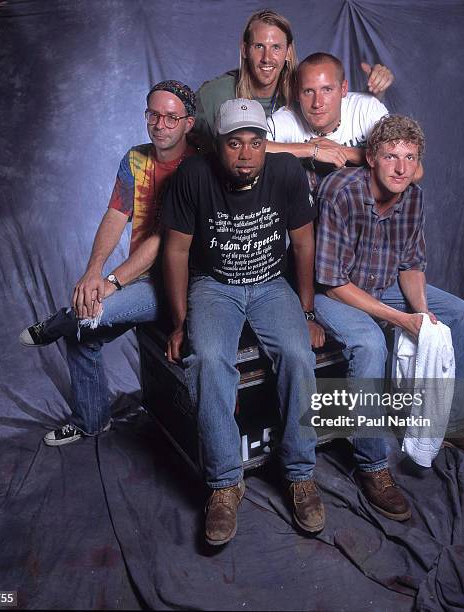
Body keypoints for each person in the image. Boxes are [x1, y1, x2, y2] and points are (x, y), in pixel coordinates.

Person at [314, 114, 464, 520]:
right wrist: (400, 322)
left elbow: (411, 266)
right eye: (390, 156)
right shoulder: (339, 192)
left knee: (457, 314)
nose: (400, 167)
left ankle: (451, 420)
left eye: (409, 157)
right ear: (370, 158)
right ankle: (373, 464)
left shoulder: (413, 196)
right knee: (368, 345)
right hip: (336, 291)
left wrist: (423, 314)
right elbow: (330, 282)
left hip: (383, 284)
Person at [162, 98, 326, 545]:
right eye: (235, 144)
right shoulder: (193, 176)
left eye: (255, 143)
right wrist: (180, 323)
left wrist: (307, 310)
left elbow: (303, 244)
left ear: (265, 144)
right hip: (215, 285)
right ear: (218, 146)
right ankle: (224, 482)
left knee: (297, 355)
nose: (246, 153)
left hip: (272, 284)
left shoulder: (287, 172)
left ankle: (299, 474)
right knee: (208, 359)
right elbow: (175, 251)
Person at [18, 81, 196, 446]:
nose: (161, 125)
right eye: (154, 115)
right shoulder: (135, 159)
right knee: (84, 334)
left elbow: (165, 240)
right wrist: (93, 271)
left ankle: (59, 321)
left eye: (171, 118)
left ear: (188, 123)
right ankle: (92, 420)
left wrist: (111, 282)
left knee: (84, 317)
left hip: (181, 283)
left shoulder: (196, 167)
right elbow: (116, 214)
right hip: (140, 278)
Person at [193, 9, 394, 149]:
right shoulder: (213, 95)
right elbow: (177, 134)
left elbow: (347, 112)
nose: (267, 58)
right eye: (259, 46)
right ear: (245, 49)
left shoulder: (304, 89)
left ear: (288, 52)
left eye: (276, 48)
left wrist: (377, 91)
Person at [267, 52, 416, 193]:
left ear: (343, 89)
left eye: (327, 90)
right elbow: (252, 149)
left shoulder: (366, 108)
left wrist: (342, 151)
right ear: (297, 94)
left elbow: (415, 171)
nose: (317, 103)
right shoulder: (286, 119)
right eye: (308, 91)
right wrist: (311, 150)